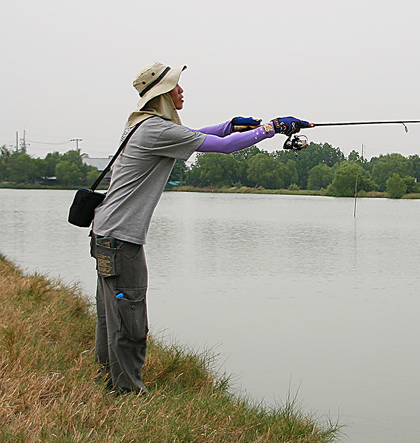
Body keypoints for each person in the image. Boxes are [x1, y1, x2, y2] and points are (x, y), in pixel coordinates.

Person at [90, 62, 311, 394]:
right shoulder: (156, 131)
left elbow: (199, 136)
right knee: (129, 319)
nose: (181, 92)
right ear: (163, 95)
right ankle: (127, 394)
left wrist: (230, 125)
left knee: (112, 316)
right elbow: (219, 147)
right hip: (121, 241)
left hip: (106, 235)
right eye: (176, 87)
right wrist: (272, 128)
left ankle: (109, 383)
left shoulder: (142, 126)